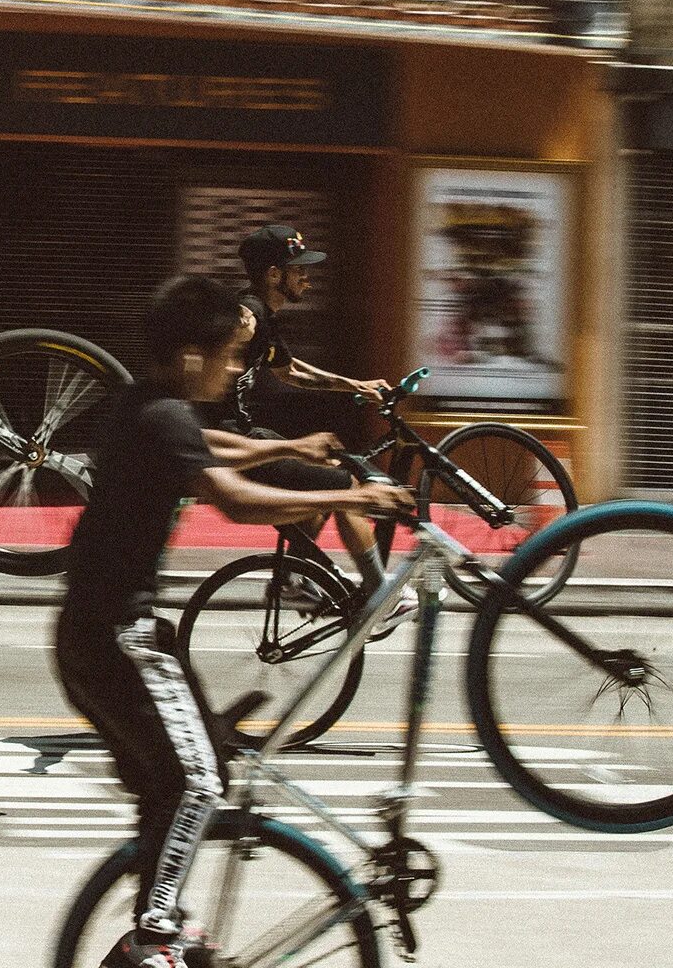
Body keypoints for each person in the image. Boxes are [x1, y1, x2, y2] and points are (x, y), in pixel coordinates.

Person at [54, 276, 412, 968]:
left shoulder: (146, 405)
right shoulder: (162, 416)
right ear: (192, 357)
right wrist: (353, 492)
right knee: (197, 782)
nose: (238, 369)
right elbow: (232, 499)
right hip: (118, 639)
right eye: (229, 356)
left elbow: (213, 449)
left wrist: (290, 450)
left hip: (89, 637)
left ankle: (154, 931)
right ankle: (153, 940)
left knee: (176, 778)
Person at [226, 224, 401, 618]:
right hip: (233, 440)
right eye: (298, 269)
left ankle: (291, 580)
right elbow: (229, 324)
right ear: (274, 275)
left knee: (323, 468)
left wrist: (355, 384)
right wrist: (233, 328)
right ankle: (380, 593)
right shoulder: (250, 312)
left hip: (249, 433)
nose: (306, 276)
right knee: (349, 485)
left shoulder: (265, 318)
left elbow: (291, 372)